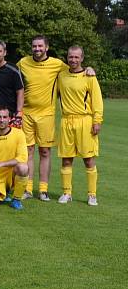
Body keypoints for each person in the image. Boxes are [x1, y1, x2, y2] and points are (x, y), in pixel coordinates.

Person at [16, 35, 94, 201]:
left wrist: (89, 68)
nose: (37, 49)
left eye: (40, 46)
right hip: (27, 113)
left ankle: (43, 190)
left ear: (47, 47)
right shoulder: (23, 62)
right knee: (28, 151)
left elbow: (75, 68)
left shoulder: (57, 64)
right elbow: (7, 69)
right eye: (34, 46)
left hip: (47, 114)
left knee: (44, 151)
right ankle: (28, 189)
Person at [57, 46, 103, 206]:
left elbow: (97, 101)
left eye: (77, 57)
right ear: (67, 57)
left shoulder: (89, 76)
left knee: (88, 160)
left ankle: (92, 195)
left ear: (82, 58)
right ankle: (66, 193)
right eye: (70, 57)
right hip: (66, 121)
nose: (73, 60)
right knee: (66, 160)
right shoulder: (61, 75)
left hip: (85, 121)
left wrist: (97, 121)